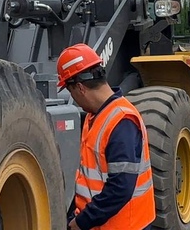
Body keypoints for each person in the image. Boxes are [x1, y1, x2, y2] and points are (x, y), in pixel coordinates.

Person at [57, 43, 155, 230]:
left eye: (70, 92)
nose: (74, 99)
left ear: (80, 88)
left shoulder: (122, 121)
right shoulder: (95, 116)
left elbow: (120, 188)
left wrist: (82, 221)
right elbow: (87, 178)